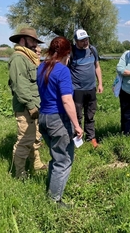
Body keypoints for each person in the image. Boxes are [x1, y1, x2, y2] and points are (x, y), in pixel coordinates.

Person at [37, 36, 83, 207]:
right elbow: (66, 101)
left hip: (43, 118)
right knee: (64, 161)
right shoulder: (62, 70)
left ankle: (51, 190)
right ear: (67, 53)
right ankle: (54, 200)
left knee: (56, 157)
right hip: (58, 120)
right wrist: (77, 126)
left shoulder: (41, 67)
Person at [8, 27, 47, 179]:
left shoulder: (28, 57)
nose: (35, 44)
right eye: (32, 40)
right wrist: (31, 106)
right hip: (26, 107)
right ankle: (19, 174)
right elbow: (20, 85)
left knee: (34, 137)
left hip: (34, 105)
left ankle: (36, 164)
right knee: (24, 140)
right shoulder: (18, 58)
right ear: (23, 39)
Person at [68, 29, 103, 148]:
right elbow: (64, 70)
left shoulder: (92, 50)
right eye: (82, 40)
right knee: (77, 116)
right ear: (76, 41)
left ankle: (91, 138)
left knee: (90, 115)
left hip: (91, 88)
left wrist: (100, 84)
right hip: (76, 89)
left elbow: (97, 67)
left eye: (86, 39)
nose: (85, 42)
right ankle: (76, 140)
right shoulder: (71, 52)